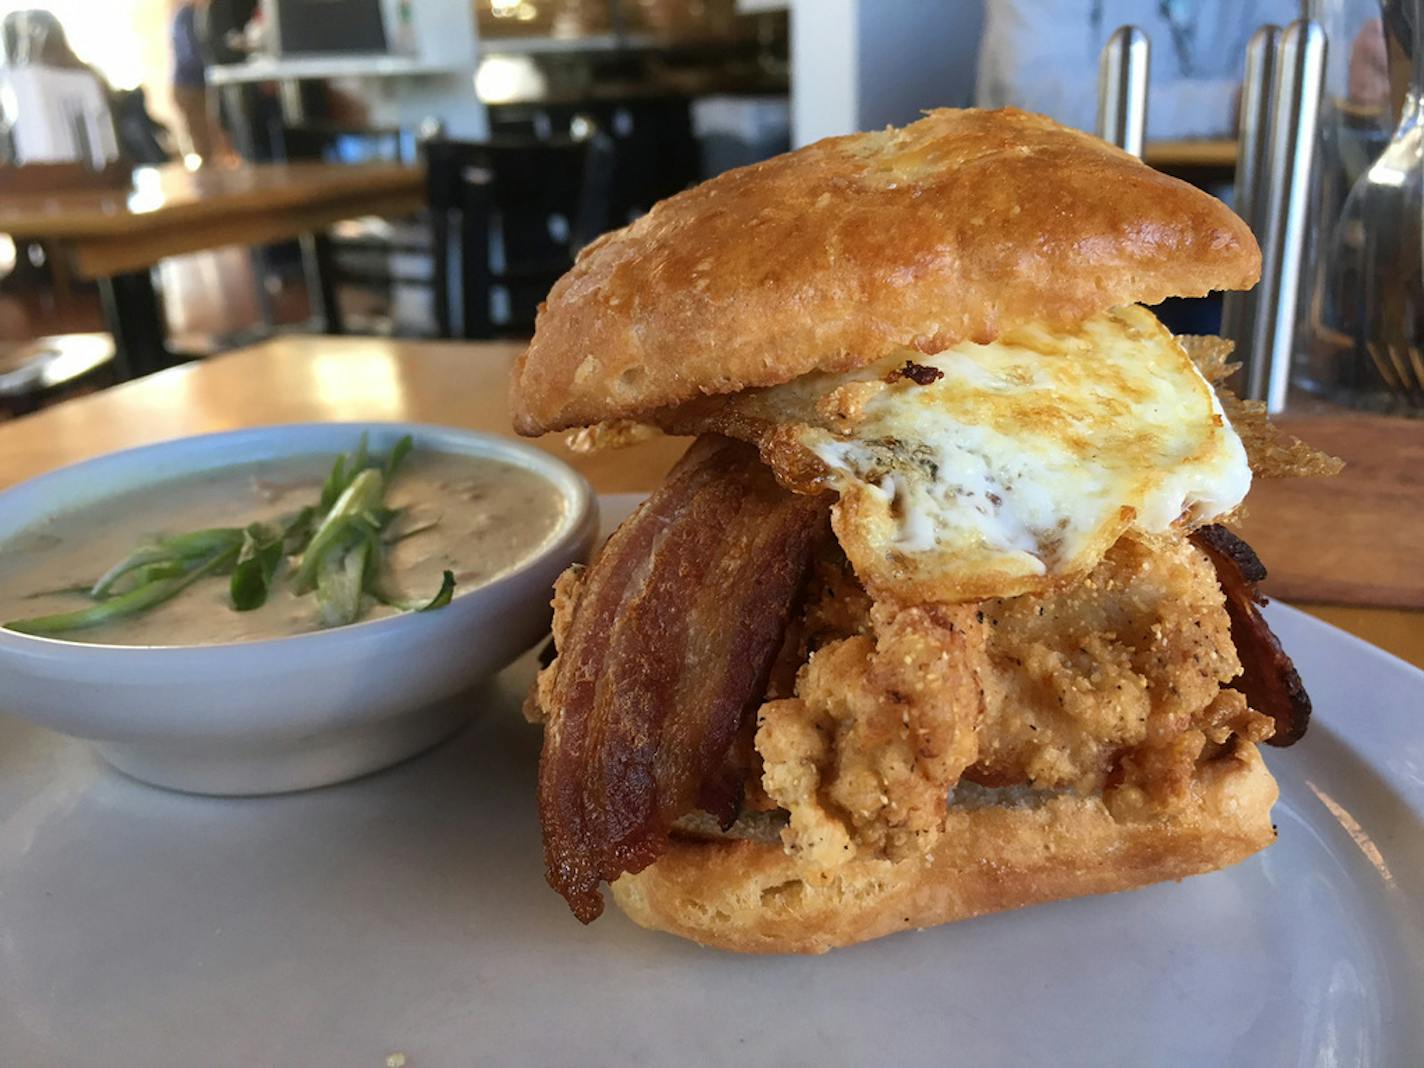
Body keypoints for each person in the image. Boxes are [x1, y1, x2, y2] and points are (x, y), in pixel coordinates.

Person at [975, 0, 1299, 141]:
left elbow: (1296, 66)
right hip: (1059, 221)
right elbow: (1039, 102)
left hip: (1220, 219)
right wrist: (1226, 106)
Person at [172, 1, 215, 161]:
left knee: (209, 140)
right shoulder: (186, 15)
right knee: (202, 144)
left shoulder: (194, 13)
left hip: (196, 84)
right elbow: (189, 54)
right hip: (189, 86)